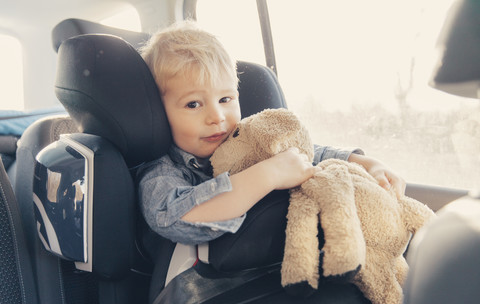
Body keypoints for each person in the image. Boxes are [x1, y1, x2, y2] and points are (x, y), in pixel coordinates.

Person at [137, 21, 406, 245]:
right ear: (158, 113)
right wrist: (269, 174)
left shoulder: (246, 138)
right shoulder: (161, 172)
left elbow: (302, 155)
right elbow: (175, 216)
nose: (216, 117)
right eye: (193, 104)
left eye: (226, 99)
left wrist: (364, 163)